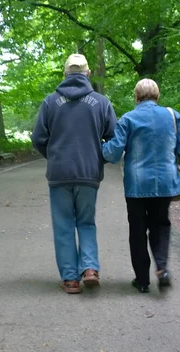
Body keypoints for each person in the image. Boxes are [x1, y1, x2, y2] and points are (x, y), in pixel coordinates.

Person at [31, 54, 117, 294]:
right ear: (88, 74)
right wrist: (99, 158)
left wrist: (55, 157)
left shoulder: (50, 102)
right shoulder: (102, 103)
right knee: (86, 222)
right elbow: (114, 138)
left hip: (59, 174)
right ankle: (90, 268)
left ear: (64, 74)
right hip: (89, 174)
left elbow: (38, 138)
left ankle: (70, 279)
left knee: (64, 225)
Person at [102, 79, 180, 293]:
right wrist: (174, 159)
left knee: (138, 231)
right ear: (157, 96)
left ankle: (142, 280)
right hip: (165, 183)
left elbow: (113, 154)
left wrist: (100, 147)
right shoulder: (172, 116)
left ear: (136, 96)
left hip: (136, 185)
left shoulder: (128, 119)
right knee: (160, 225)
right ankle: (162, 268)